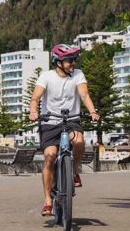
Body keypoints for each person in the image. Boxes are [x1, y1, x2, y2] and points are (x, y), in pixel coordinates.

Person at [28, 43, 99, 216]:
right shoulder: (46, 76)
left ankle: (74, 170)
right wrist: (33, 111)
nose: (72, 64)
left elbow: (84, 95)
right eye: (69, 61)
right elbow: (35, 97)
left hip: (71, 120)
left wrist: (92, 111)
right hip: (50, 122)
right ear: (58, 62)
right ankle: (47, 201)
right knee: (50, 156)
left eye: (73, 60)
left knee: (80, 141)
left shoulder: (78, 75)